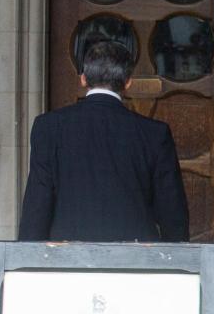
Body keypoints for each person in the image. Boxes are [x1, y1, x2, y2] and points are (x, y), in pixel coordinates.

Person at [17, 40, 190, 242]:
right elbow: (172, 212)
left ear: (83, 79)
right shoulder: (154, 133)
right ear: (127, 82)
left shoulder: (48, 127)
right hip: (137, 261)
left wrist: (27, 261)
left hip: (67, 259)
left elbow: (38, 204)